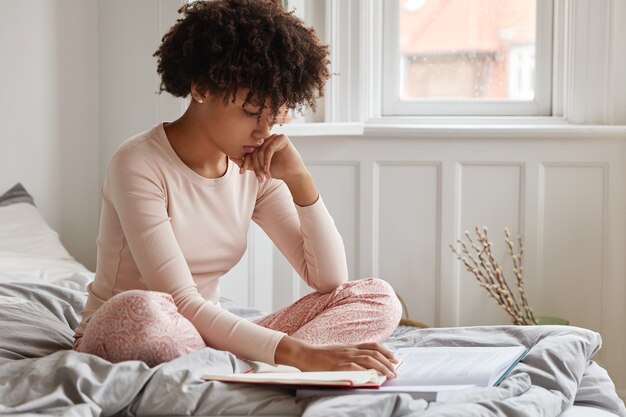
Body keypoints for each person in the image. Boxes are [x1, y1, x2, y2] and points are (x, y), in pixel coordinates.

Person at [74, 0, 402, 379]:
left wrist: (300, 182)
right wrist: (301, 353)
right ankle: (259, 363)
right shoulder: (137, 163)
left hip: (204, 338)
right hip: (135, 329)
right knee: (144, 310)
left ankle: (246, 366)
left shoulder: (255, 165)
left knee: (376, 297)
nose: (263, 131)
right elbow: (179, 301)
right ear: (201, 88)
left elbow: (328, 280)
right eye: (250, 113)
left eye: (274, 116)